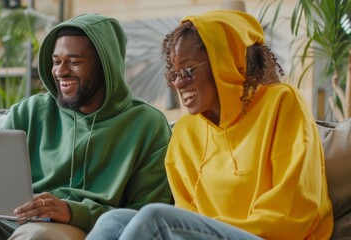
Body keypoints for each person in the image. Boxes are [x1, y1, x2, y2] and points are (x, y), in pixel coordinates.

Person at [0, 13, 172, 240]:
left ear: (106, 66)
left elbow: (147, 215)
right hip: (4, 220)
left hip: (74, 227)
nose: (61, 71)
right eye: (56, 61)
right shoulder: (30, 110)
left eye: (74, 62)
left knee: (37, 236)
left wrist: (73, 211)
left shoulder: (147, 125)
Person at [86, 10, 333, 240]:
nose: (179, 83)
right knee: (114, 220)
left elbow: (295, 207)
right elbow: (188, 214)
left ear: (224, 62)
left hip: (277, 235)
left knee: (156, 218)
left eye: (189, 70)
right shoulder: (185, 132)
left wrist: (208, 228)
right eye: (175, 72)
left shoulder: (281, 103)